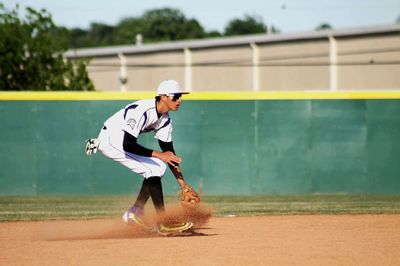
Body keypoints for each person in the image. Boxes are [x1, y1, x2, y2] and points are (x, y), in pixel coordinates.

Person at [85, 80, 193, 234]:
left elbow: (169, 154)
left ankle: (135, 212)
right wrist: (159, 155)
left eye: (180, 96)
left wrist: (183, 185)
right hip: (110, 139)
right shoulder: (143, 110)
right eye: (176, 97)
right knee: (154, 168)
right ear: (163, 97)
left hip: (121, 140)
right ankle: (161, 221)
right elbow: (128, 144)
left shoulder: (164, 119)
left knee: (158, 167)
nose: (180, 100)